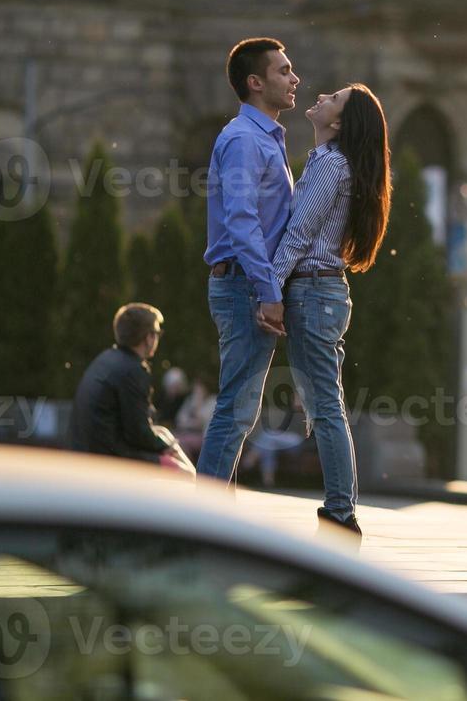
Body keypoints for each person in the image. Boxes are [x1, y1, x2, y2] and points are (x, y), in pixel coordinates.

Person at [267, 82, 392, 543]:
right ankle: (340, 511)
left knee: (325, 408)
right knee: (324, 407)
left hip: (314, 294)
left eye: (333, 100)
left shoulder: (332, 165)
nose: (320, 98)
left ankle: (341, 515)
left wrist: (269, 290)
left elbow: (298, 235)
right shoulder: (329, 162)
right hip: (322, 295)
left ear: (338, 123)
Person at [197, 38, 299, 485]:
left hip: (246, 285)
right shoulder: (243, 140)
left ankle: (213, 515)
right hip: (243, 286)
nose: (294, 79)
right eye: (283, 71)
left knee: (241, 409)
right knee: (237, 408)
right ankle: (207, 521)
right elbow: (241, 222)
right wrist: (268, 291)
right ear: (255, 83)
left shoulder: (265, 138)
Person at [71, 303, 194, 475]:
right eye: (157, 333)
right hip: (108, 458)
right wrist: (166, 447)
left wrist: (164, 444)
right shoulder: (133, 370)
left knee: (163, 432)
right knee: (186, 474)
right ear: (148, 338)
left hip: (88, 450)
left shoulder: (107, 358)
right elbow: (138, 433)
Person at [174, 378, 217, 463]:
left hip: (203, 437)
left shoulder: (213, 401)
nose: (196, 391)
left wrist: (197, 403)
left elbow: (201, 423)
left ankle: (189, 469)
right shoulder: (190, 399)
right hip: (186, 433)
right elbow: (180, 419)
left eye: (199, 389)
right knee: (170, 439)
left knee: (180, 444)